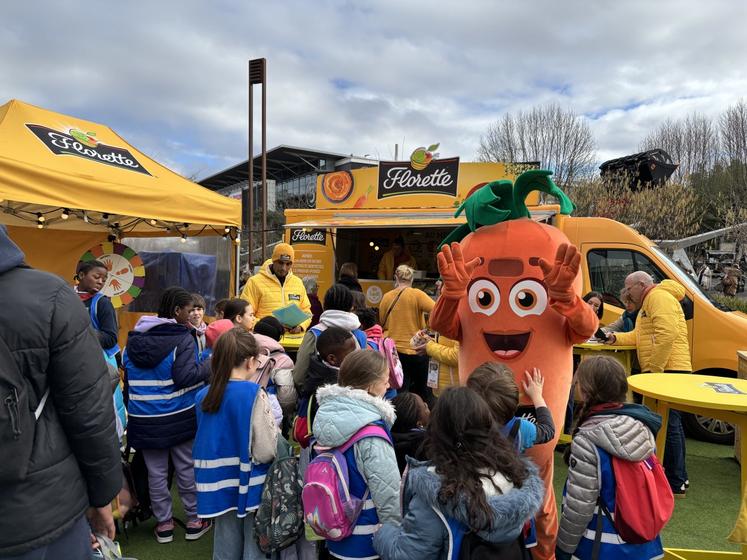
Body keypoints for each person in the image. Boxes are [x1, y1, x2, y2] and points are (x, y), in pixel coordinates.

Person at [0, 225, 121, 559]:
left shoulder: (94, 302)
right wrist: (102, 495)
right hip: (39, 506)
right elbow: (89, 411)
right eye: (96, 275)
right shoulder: (49, 296)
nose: (100, 281)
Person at [373, 386, 545, 560]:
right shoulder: (515, 477)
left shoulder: (437, 494)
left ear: (437, 431)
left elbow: (408, 555)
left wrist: (383, 533)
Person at [123, 287, 212, 543]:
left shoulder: (133, 339)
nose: (191, 314)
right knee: (185, 468)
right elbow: (185, 376)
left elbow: (128, 380)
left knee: (156, 473)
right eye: (188, 309)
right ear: (176, 311)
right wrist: (210, 364)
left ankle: (164, 524)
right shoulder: (182, 337)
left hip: (144, 419)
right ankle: (195, 520)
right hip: (178, 416)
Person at [556, 357, 665, 560]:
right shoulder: (642, 426)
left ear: (587, 391)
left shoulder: (588, 439)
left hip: (600, 545)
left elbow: (579, 507)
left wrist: (563, 549)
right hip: (644, 546)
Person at [193, 328, 278, 560]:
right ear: (251, 362)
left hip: (216, 483)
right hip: (250, 481)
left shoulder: (203, 395)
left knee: (225, 544)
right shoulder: (253, 393)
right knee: (255, 545)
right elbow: (265, 450)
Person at [606, 271, 691, 496]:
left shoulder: (658, 298)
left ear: (641, 284)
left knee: (668, 424)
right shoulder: (651, 301)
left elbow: (667, 334)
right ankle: (678, 477)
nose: (626, 293)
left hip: (668, 370)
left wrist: (654, 369)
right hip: (670, 368)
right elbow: (638, 335)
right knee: (671, 423)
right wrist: (614, 337)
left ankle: (675, 480)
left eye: (628, 287)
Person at [312, 349, 401, 559]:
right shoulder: (372, 435)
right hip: (367, 539)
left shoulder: (325, 420)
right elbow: (388, 494)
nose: (388, 385)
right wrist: (396, 537)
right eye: (385, 379)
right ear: (371, 386)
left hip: (333, 530)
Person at [378, 264, 435, 405]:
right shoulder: (417, 294)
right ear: (412, 279)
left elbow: (382, 322)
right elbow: (436, 311)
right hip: (417, 350)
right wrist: (427, 329)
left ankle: (401, 421)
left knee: (399, 391)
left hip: (395, 353)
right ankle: (424, 420)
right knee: (424, 391)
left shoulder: (386, 297)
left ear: (395, 278)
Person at [467, 363, 555, 453]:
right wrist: (537, 396)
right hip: (510, 466)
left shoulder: (463, 426)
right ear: (515, 400)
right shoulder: (521, 429)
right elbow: (548, 430)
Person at [292, 284, 368, 389]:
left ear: (324, 306)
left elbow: (298, 377)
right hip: (354, 394)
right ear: (351, 307)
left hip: (319, 396)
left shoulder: (314, 334)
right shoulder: (361, 335)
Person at [240, 243, 312, 334]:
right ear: (273, 260)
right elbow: (244, 314)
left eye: (288, 264)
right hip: (263, 339)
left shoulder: (298, 283)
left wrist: (301, 326)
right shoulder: (254, 282)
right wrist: (268, 328)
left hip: (293, 341)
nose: (283, 268)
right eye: (280, 263)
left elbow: (307, 312)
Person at [74, 260, 120, 362]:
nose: (100, 282)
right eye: (96, 277)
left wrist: (81, 334)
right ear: (81, 275)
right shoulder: (66, 298)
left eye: (104, 280)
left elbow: (111, 338)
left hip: (100, 360)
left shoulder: (103, 303)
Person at [390, 391, 430, 473]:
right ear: (419, 424)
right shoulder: (425, 447)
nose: (426, 404)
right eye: (424, 406)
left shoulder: (388, 440)